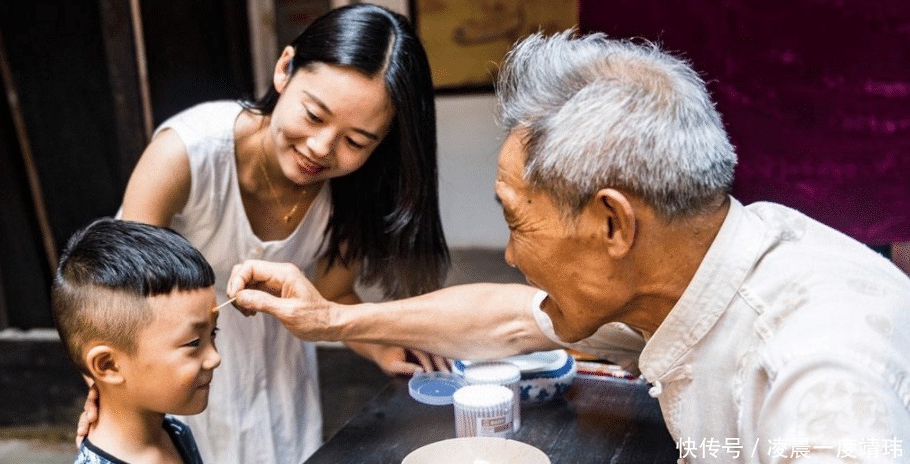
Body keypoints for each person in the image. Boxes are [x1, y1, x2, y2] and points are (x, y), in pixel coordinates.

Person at [226, 30, 910, 461]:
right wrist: (331, 320)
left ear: (613, 224)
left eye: (517, 222)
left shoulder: (812, 364)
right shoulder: (695, 266)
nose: (512, 255)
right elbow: (506, 318)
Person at [77, 4, 450, 463]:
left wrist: (382, 345)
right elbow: (116, 301)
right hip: (182, 383)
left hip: (281, 386)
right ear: (284, 69)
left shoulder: (355, 190)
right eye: (314, 116)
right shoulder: (184, 157)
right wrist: (108, 396)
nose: (321, 148)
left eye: (356, 141)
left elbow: (335, 295)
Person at [53, 218, 220, 464]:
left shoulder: (172, 431)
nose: (215, 358)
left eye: (213, 334)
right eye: (194, 343)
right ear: (108, 364)